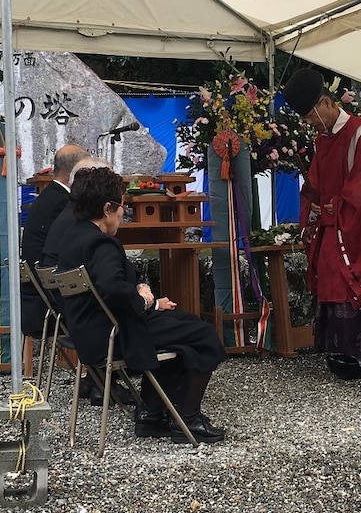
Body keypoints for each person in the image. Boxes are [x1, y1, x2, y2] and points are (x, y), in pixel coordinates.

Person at [57, 166, 228, 443]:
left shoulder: (73, 237)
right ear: (107, 208)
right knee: (203, 334)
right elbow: (112, 287)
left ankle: (152, 413)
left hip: (88, 331)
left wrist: (139, 291)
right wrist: (144, 299)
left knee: (182, 325)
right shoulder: (101, 244)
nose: (124, 213)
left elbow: (110, 279)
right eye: (122, 207)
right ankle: (188, 418)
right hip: (116, 334)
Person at [282, 68, 361, 380]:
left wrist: (337, 206)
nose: (309, 124)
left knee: (351, 277)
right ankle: (346, 349)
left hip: (359, 226)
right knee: (330, 274)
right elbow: (314, 185)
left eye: (309, 116)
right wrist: (315, 203)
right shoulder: (323, 139)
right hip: (333, 224)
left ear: (326, 103)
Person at [20, 144, 89, 337]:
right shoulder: (64, 204)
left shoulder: (49, 196)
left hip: (37, 299)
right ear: (77, 173)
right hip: (49, 306)